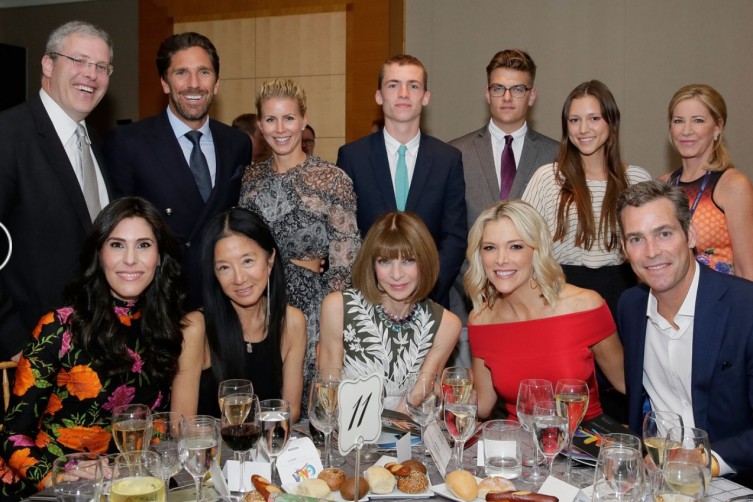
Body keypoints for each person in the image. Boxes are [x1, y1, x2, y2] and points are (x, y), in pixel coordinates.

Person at [0, 197, 184, 499]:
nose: (130, 259)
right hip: (50, 490)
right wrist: (58, 474)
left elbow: (156, 420)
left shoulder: (164, 328)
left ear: (160, 256)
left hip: (125, 486)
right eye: (116, 245)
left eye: (143, 245)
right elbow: (12, 435)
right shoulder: (59, 328)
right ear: (99, 254)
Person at [617, 180, 753, 484]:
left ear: (690, 235)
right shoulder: (631, 307)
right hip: (657, 479)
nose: (651, 252)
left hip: (735, 480)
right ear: (624, 249)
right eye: (636, 239)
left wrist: (706, 461)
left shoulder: (746, 309)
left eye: (664, 234)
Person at [239, 78, 360, 415]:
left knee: (313, 403)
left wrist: (333, 329)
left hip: (314, 304)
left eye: (289, 118)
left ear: (303, 119)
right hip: (258, 301)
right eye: (271, 120)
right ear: (260, 125)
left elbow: (346, 253)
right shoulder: (249, 179)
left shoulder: (332, 178)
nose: (281, 129)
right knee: (262, 398)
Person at [104, 32, 251, 310]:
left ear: (216, 83)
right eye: (181, 72)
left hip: (224, 298)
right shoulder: (128, 143)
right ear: (164, 83)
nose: (194, 84)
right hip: (157, 301)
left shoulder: (237, 143)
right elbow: (115, 233)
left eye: (203, 72)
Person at [0, 20, 113, 361]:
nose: (90, 74)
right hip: (27, 356)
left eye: (102, 67)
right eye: (78, 60)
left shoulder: (96, 144)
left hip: (91, 349)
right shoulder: (9, 135)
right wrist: (13, 341)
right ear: (48, 65)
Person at [466, 200, 625, 421]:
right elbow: (483, 406)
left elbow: (626, 384)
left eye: (516, 246)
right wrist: (449, 395)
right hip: (519, 446)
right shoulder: (481, 320)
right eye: (490, 248)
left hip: (581, 445)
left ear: (537, 250)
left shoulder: (584, 306)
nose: (501, 259)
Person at [336, 54, 467, 309]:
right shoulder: (352, 157)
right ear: (379, 96)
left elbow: (454, 236)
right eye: (393, 85)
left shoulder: (447, 159)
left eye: (414, 86)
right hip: (368, 299)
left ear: (425, 97)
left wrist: (426, 286)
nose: (404, 93)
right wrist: (374, 287)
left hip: (430, 301)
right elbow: (345, 234)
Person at [522, 80, 651, 318]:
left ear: (611, 122)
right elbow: (523, 245)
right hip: (561, 296)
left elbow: (649, 249)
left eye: (594, 118)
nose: (583, 129)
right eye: (574, 120)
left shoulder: (637, 179)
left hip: (625, 296)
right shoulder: (547, 179)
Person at [171, 208, 305, 421]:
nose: (239, 278)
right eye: (224, 267)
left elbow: (291, 412)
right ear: (214, 273)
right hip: (212, 452)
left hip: (267, 450)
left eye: (247, 261)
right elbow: (181, 424)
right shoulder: (196, 328)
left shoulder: (291, 322)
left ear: (269, 261)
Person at [318, 211, 461, 409]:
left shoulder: (446, 324)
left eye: (408, 260)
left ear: (425, 262)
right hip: (345, 433)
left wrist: (387, 437)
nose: (396, 274)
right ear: (372, 265)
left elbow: (416, 399)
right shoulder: (337, 308)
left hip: (407, 433)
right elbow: (328, 394)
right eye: (385, 261)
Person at [449, 48, 559, 225]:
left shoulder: (556, 156)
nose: (507, 97)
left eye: (517, 89)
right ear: (487, 94)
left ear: (531, 96)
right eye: (498, 88)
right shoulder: (455, 153)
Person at [660, 84, 753, 280]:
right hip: (671, 303)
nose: (686, 131)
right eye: (678, 121)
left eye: (698, 121)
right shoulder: (663, 185)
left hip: (721, 304)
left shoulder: (733, 185)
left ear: (717, 127)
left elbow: (748, 271)